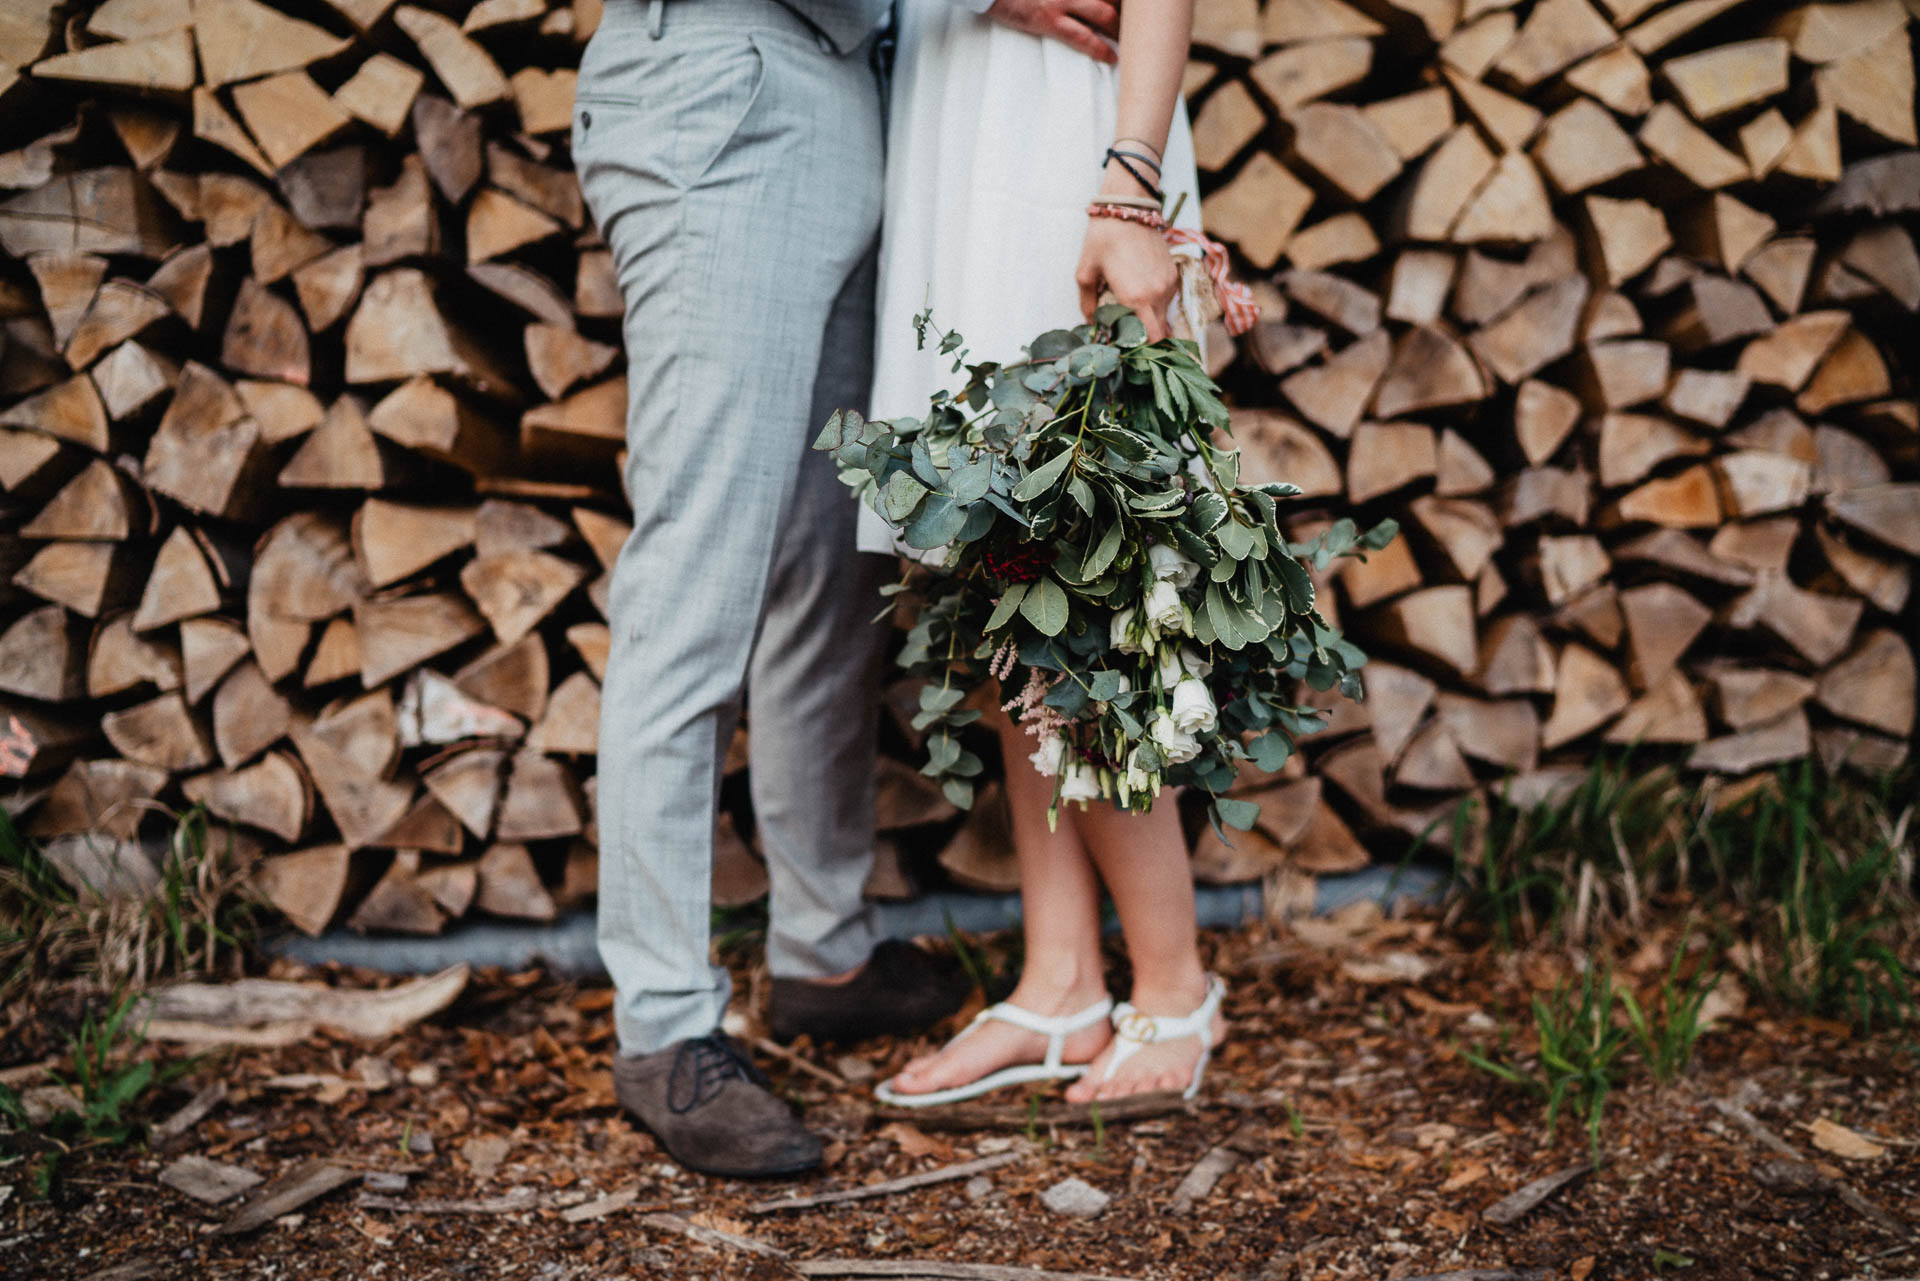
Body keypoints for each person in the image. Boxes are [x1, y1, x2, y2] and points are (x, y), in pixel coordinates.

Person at [570, 0, 1128, 1180]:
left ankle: (823, 952)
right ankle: (663, 1026)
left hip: (854, 90)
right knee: (699, 575)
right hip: (727, 83)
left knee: (831, 572)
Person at [864, 0, 1230, 1106]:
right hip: (956, 132)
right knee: (997, 577)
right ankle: (1061, 977)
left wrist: (1127, 185)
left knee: (1075, 572)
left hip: (1061, 138)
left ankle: (1174, 991)